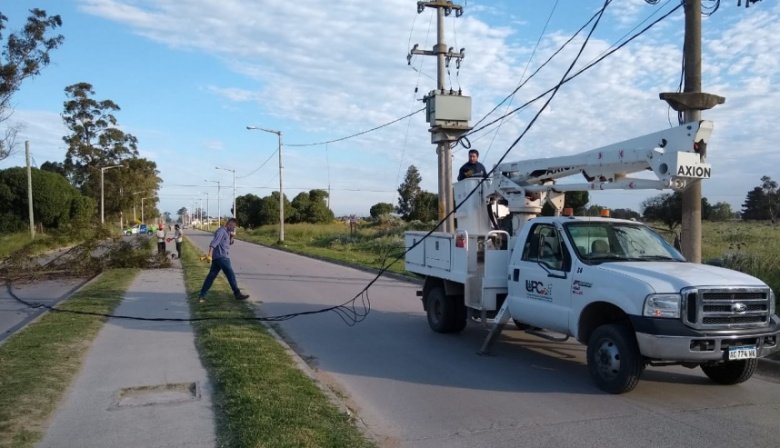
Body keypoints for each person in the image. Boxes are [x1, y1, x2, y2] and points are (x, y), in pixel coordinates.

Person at [198, 218, 249, 302]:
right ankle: (237, 294)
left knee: (211, 277)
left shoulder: (227, 232)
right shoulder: (221, 231)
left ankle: (202, 296)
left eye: (235, 227)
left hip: (218, 258)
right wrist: (209, 255)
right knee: (231, 275)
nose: (234, 228)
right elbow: (214, 243)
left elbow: (228, 243)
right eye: (233, 226)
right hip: (222, 257)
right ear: (229, 224)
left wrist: (232, 237)